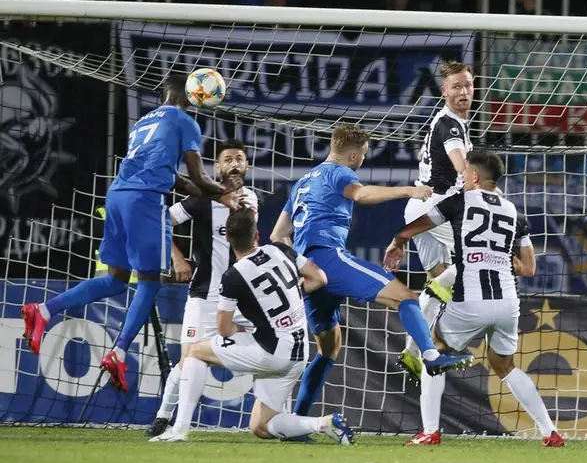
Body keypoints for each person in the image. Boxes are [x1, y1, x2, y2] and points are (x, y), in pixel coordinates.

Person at [21, 76, 229, 392]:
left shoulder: (143, 122)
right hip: (144, 201)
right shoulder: (185, 121)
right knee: (150, 282)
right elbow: (198, 176)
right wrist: (224, 193)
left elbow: (179, 179)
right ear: (192, 95)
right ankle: (118, 353)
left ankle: (44, 310)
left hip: (117, 196)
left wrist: (212, 193)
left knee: (116, 280)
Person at [270, 123, 473, 417]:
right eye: (363, 154)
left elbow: (278, 235)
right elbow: (361, 195)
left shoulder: (302, 183)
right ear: (353, 156)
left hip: (309, 272)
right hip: (329, 259)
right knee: (405, 297)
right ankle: (430, 356)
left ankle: (298, 421)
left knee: (328, 348)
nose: (363, 159)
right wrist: (409, 191)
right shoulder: (340, 172)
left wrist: (300, 265)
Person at [384, 150, 563, 447]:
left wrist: (398, 241)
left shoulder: (459, 201)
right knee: (504, 364)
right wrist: (495, 256)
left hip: (471, 299)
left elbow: (418, 224)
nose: (462, 177)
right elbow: (529, 268)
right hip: (508, 303)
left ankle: (430, 431)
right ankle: (550, 432)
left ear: (476, 176)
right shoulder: (514, 212)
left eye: (465, 172)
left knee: (434, 351)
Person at [151, 208, 355, 444]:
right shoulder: (281, 250)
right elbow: (320, 278)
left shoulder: (233, 276)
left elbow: (223, 329)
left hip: (272, 352)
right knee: (261, 426)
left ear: (227, 238)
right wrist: (291, 295)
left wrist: (240, 329)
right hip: (299, 354)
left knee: (195, 352)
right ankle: (324, 424)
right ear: (257, 234)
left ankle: (178, 429)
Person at [147, 139, 259, 437]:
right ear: (217, 167)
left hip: (245, 299)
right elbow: (160, 221)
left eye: (239, 159)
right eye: (227, 160)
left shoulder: (251, 198)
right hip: (206, 296)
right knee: (189, 362)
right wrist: (176, 257)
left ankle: (276, 419)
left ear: (246, 166)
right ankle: (164, 417)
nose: (234, 164)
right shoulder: (199, 200)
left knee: (273, 350)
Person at [396, 60, 474, 383]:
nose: (463, 91)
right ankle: (426, 348)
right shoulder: (451, 126)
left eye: (467, 85)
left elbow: (422, 155)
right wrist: (486, 191)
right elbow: (463, 168)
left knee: (440, 283)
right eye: (456, 86)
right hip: (436, 210)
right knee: (470, 264)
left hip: (421, 209)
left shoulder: (443, 121)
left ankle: (419, 353)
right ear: (444, 91)